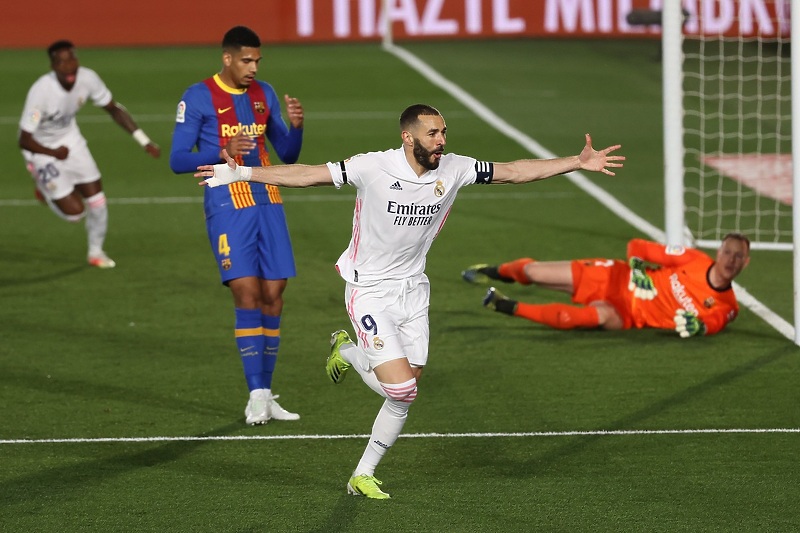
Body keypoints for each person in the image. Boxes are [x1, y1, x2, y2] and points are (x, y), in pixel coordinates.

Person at [196, 103, 624, 498]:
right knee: (401, 388)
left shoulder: (455, 168)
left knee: (405, 389)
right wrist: (243, 174)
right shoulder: (373, 167)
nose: (442, 140)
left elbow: (514, 170)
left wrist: (577, 162)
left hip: (413, 291)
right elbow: (308, 174)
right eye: (434, 133)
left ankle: (360, 468)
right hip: (369, 291)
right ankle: (351, 364)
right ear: (408, 136)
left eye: (444, 132)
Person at [169, 26, 304, 426]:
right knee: (246, 293)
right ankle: (255, 394)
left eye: (257, 60)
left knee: (274, 294)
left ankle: (266, 390)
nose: (253, 67)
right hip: (227, 202)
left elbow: (288, 152)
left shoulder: (265, 94)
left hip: (268, 196)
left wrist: (296, 127)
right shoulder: (197, 96)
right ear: (227, 58)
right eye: (247, 60)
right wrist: (221, 151)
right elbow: (178, 158)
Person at [18, 39, 161, 269]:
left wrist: (144, 141)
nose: (68, 66)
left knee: (98, 201)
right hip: (40, 149)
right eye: (61, 62)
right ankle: (44, 189)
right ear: (53, 66)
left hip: (70, 142)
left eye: (72, 59)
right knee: (75, 213)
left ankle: (96, 252)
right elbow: (24, 140)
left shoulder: (87, 78)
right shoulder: (41, 92)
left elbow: (113, 109)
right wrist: (53, 152)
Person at [461, 233, 750, 337]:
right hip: (615, 276)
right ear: (718, 252)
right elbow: (638, 246)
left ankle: (504, 304)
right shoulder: (693, 260)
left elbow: (715, 322)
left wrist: (699, 327)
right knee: (532, 271)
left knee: (577, 317)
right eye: (728, 252)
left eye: (739, 256)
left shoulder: (728, 306)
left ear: (746, 262)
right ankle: (494, 271)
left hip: (627, 315)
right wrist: (637, 269)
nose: (731, 260)